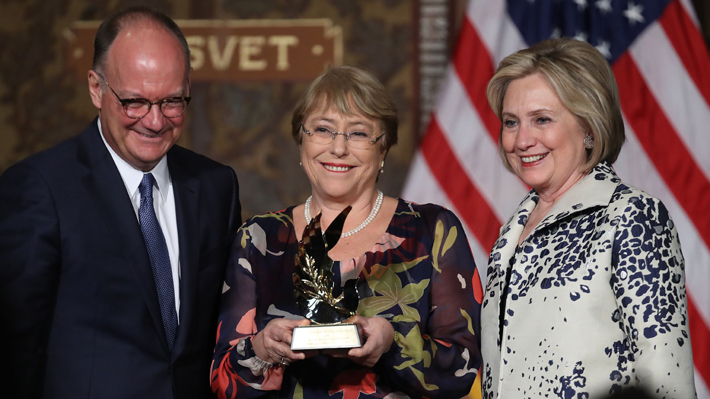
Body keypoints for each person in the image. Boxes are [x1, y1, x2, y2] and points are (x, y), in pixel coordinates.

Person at [0, 6, 241, 399]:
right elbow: (16, 349)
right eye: (135, 102)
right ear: (96, 88)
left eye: (172, 101)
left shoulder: (215, 186)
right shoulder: (39, 188)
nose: (155, 121)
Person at [211, 65, 482, 398]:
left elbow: (463, 370)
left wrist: (393, 341)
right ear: (301, 142)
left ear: (383, 149)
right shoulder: (258, 238)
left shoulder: (432, 230)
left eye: (358, 133)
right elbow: (222, 383)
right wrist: (263, 348)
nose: (338, 148)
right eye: (323, 130)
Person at [481, 38, 696, 398]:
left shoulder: (631, 215)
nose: (522, 140)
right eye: (511, 122)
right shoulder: (512, 231)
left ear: (589, 127)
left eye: (542, 119)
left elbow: (666, 377)